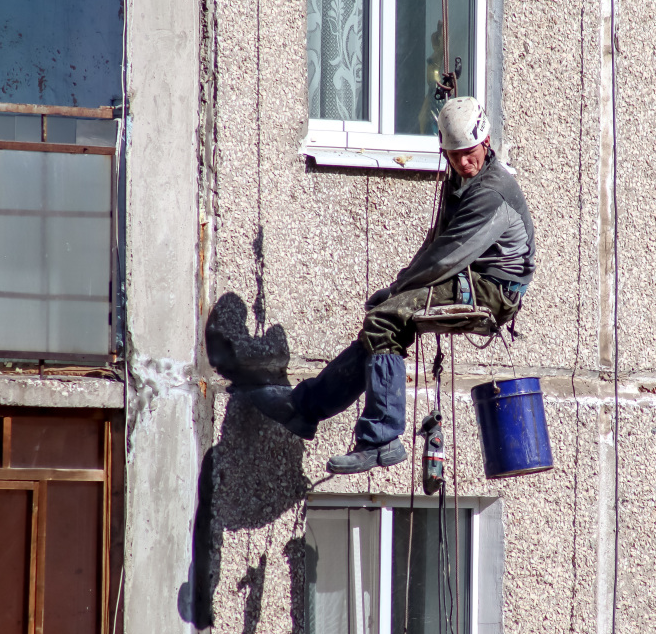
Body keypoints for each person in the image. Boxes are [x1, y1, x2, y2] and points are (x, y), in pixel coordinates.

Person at [208, 96, 536, 475]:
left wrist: (399, 292)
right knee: (380, 330)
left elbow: (448, 255)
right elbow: (436, 243)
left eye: (470, 152)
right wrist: (399, 286)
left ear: (486, 141)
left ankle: (380, 437)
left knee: (384, 320)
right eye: (455, 154)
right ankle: (305, 408)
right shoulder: (462, 180)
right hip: (472, 279)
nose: (464, 161)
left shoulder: (492, 192)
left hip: (493, 291)